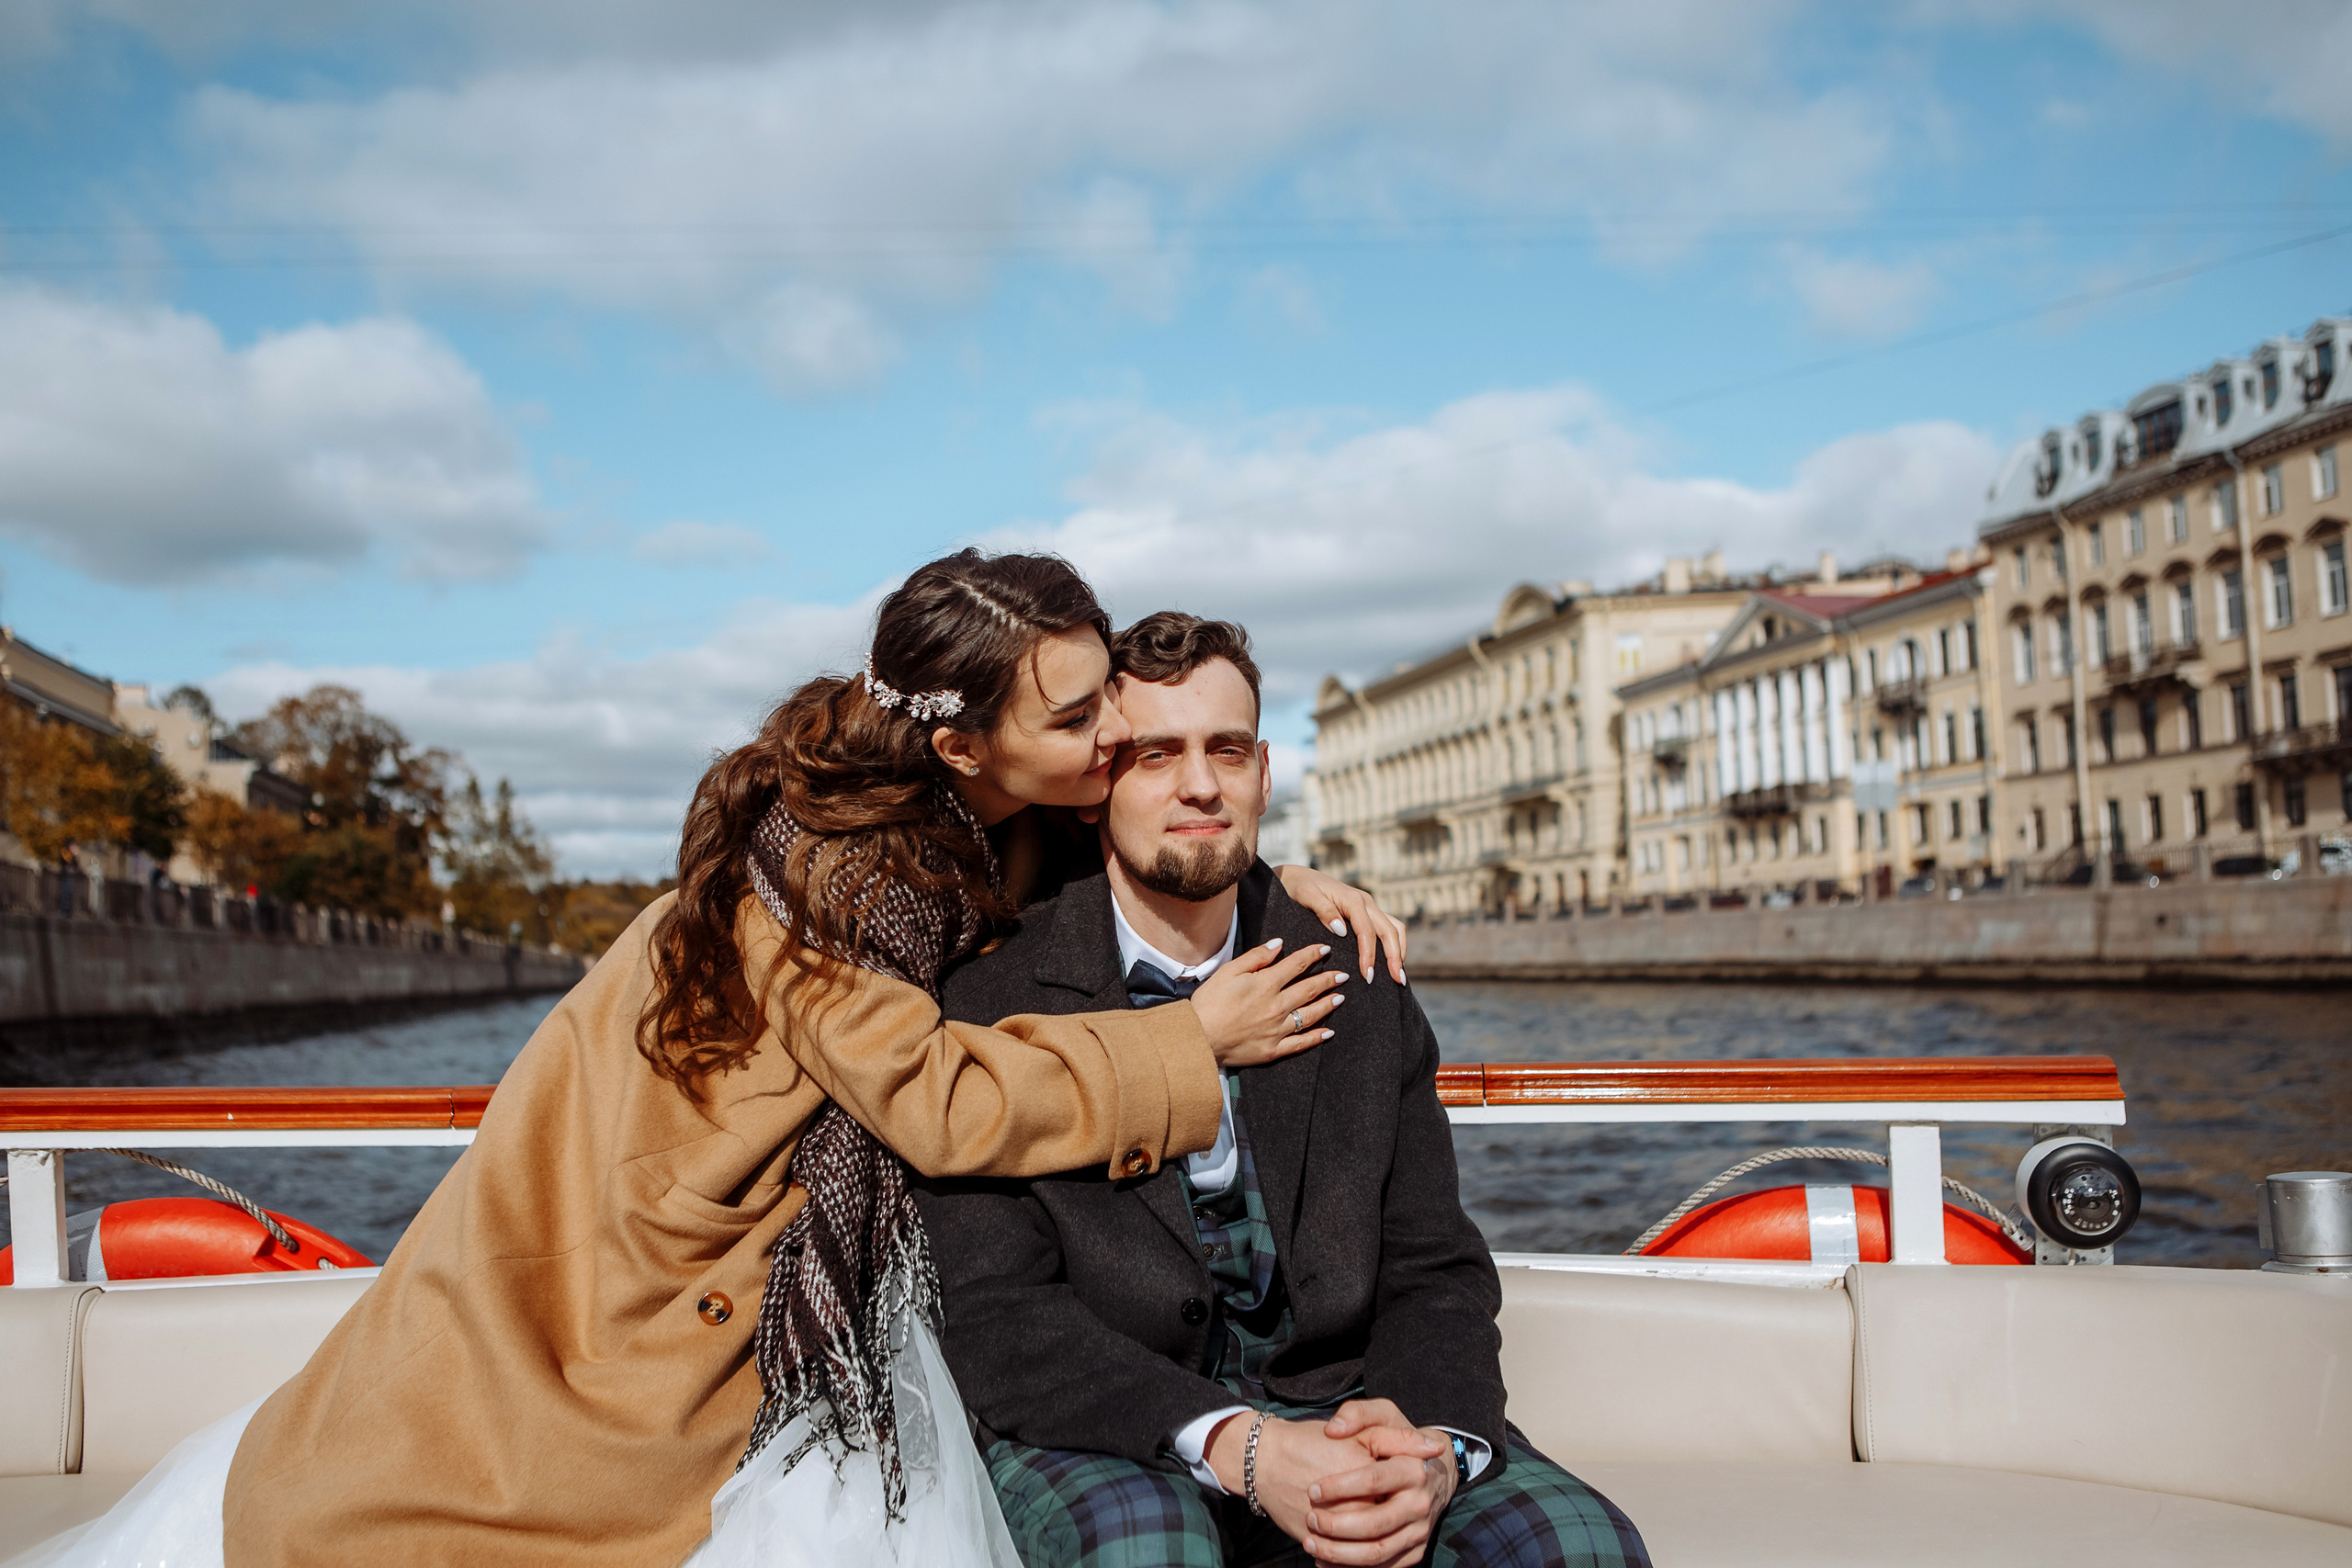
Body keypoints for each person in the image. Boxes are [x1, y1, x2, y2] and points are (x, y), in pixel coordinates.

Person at [10, 551, 1405, 1568]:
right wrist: (1185, 1043)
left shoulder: (978, 802)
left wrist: (1281, 887)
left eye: (1112, 695)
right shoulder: (847, 868)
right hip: (655, 1204)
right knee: (513, 1470)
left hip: (730, 1176)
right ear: (966, 739)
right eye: (1084, 716)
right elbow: (932, 1097)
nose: (1118, 737)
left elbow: (1161, 837)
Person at [918, 613, 1649, 1568]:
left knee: (1580, 1545)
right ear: (1097, 788)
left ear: (1264, 774)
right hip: (1104, 1421)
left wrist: (1429, 1448)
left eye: (1226, 750)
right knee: (1149, 1551)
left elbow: (1432, 1267)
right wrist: (1237, 1444)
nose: (1198, 784)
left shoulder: (1357, 976)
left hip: (1345, 1402)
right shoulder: (987, 997)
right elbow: (996, 1310)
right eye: (1154, 755)